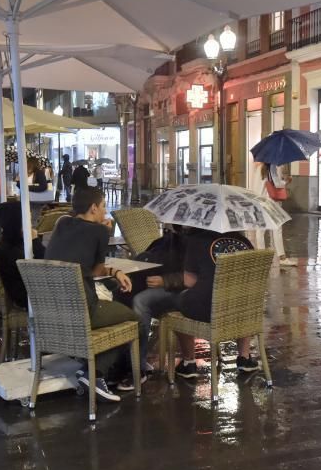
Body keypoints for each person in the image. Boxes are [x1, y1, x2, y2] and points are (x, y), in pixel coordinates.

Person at [44, 187, 137, 402]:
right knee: (134, 319)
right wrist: (104, 233)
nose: (105, 211)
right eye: (104, 206)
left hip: (51, 308)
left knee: (115, 297)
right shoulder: (100, 232)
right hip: (82, 307)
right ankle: (97, 373)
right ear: (93, 207)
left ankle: (95, 368)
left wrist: (115, 272)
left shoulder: (62, 223)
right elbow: (96, 272)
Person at [173, 228, 261, 378]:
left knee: (178, 303)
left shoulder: (196, 241)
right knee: (241, 296)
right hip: (241, 310)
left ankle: (189, 362)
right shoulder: (244, 242)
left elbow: (188, 282)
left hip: (209, 310)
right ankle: (244, 357)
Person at [121, 224, 187, 390]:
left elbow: (200, 276)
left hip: (186, 293)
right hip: (167, 283)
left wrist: (166, 281)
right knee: (123, 292)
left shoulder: (201, 239)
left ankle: (137, 367)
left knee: (140, 302)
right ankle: (124, 361)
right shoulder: (173, 236)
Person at [0, 201, 45, 309]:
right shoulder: (8, 250)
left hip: (30, 292)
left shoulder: (11, 244)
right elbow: (44, 266)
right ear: (16, 222)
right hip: (28, 297)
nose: (31, 225)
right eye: (27, 220)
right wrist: (35, 241)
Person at [256, 163, 295, 267]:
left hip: (262, 201)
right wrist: (286, 181)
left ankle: (261, 256)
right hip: (272, 202)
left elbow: (261, 186)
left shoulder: (261, 168)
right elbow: (277, 184)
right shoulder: (273, 167)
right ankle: (282, 258)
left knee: (261, 229)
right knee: (277, 228)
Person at [17, 156, 49, 225]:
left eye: (27, 162)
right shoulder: (23, 172)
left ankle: (33, 235)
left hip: (35, 201)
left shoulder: (39, 173)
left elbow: (43, 186)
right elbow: (20, 186)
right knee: (24, 220)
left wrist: (27, 187)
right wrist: (18, 182)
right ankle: (26, 235)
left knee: (33, 221)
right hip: (24, 200)